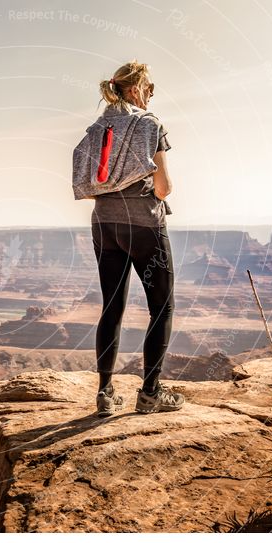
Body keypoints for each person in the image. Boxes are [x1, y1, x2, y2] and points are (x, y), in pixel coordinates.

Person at [87, 60, 185, 417]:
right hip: (144, 226)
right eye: (149, 88)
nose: (151, 94)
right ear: (135, 89)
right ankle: (150, 393)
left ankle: (105, 394)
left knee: (112, 307)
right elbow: (163, 186)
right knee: (162, 307)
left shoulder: (99, 125)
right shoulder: (150, 124)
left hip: (104, 225)